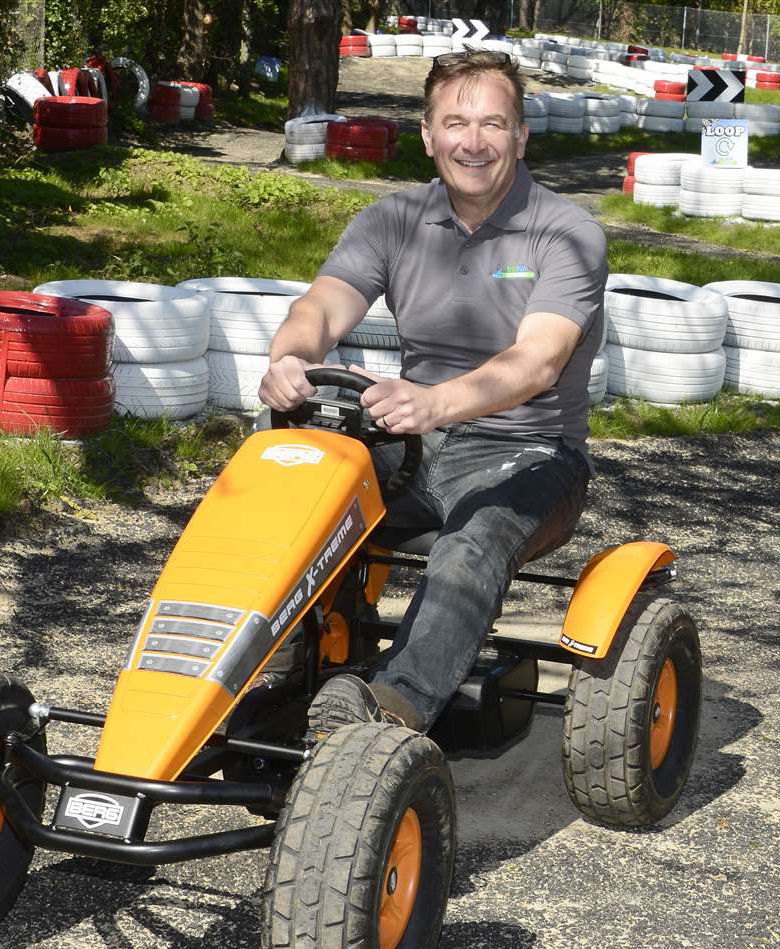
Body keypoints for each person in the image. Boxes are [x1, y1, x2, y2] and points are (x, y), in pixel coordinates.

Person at [258, 48, 608, 738]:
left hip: (533, 453)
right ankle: (263, 664)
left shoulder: (568, 234)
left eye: (493, 124)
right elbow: (321, 310)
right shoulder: (393, 221)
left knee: (472, 542)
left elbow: (537, 362)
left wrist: (433, 402)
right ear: (427, 134)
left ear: (521, 135)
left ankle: (390, 706)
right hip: (416, 441)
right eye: (455, 123)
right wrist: (290, 359)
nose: (472, 143)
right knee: (287, 477)